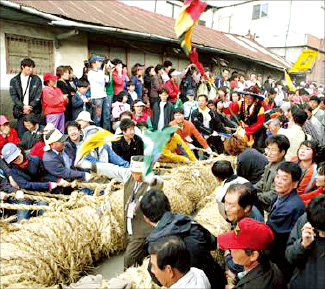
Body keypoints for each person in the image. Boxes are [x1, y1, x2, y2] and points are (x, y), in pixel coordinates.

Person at [76, 156, 163, 269]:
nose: (136, 176)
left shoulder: (152, 182)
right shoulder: (128, 175)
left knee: (129, 260)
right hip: (130, 226)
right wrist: (90, 165)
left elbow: (159, 183)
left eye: (140, 173)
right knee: (142, 256)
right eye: (134, 172)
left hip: (143, 229)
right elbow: (111, 169)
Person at [141, 189, 226, 289]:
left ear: (146, 218)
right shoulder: (189, 223)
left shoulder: (155, 244)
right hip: (215, 279)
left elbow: (158, 279)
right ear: (169, 206)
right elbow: (213, 243)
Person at [218, 217, 286, 289]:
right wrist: (237, 279)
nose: (230, 249)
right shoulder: (271, 267)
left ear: (253, 255)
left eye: (235, 246)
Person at [266, 162, 306, 280]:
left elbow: (270, 232)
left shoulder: (291, 207)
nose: (278, 181)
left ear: (295, 184)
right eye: (277, 176)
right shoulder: (279, 196)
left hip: (281, 258)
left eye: (284, 179)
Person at [286, 195, 325, 289]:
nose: (322, 235)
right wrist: (302, 245)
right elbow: (289, 257)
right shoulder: (306, 220)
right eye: (318, 231)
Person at [254, 135, 290, 212]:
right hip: (264, 203)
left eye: (273, 150)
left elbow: (273, 196)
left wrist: (253, 195)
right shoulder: (270, 164)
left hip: (272, 209)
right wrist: (250, 189)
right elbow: (262, 182)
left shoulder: (282, 171)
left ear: (282, 152)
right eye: (268, 149)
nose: (269, 153)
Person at [9, 58, 42, 138]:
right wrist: (23, 106)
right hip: (21, 112)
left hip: (34, 111)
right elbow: (14, 96)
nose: (31, 69)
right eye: (29, 67)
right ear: (22, 67)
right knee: (22, 133)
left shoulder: (36, 79)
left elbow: (39, 95)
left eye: (32, 67)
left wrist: (30, 106)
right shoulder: (14, 80)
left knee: (35, 134)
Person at [87, 55, 111, 130]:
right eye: (99, 61)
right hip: (96, 97)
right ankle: (96, 132)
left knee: (106, 116)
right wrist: (105, 72)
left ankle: (106, 132)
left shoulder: (100, 71)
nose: (100, 63)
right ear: (93, 63)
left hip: (104, 95)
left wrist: (108, 72)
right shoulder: (90, 73)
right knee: (97, 117)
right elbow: (101, 79)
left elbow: (108, 80)